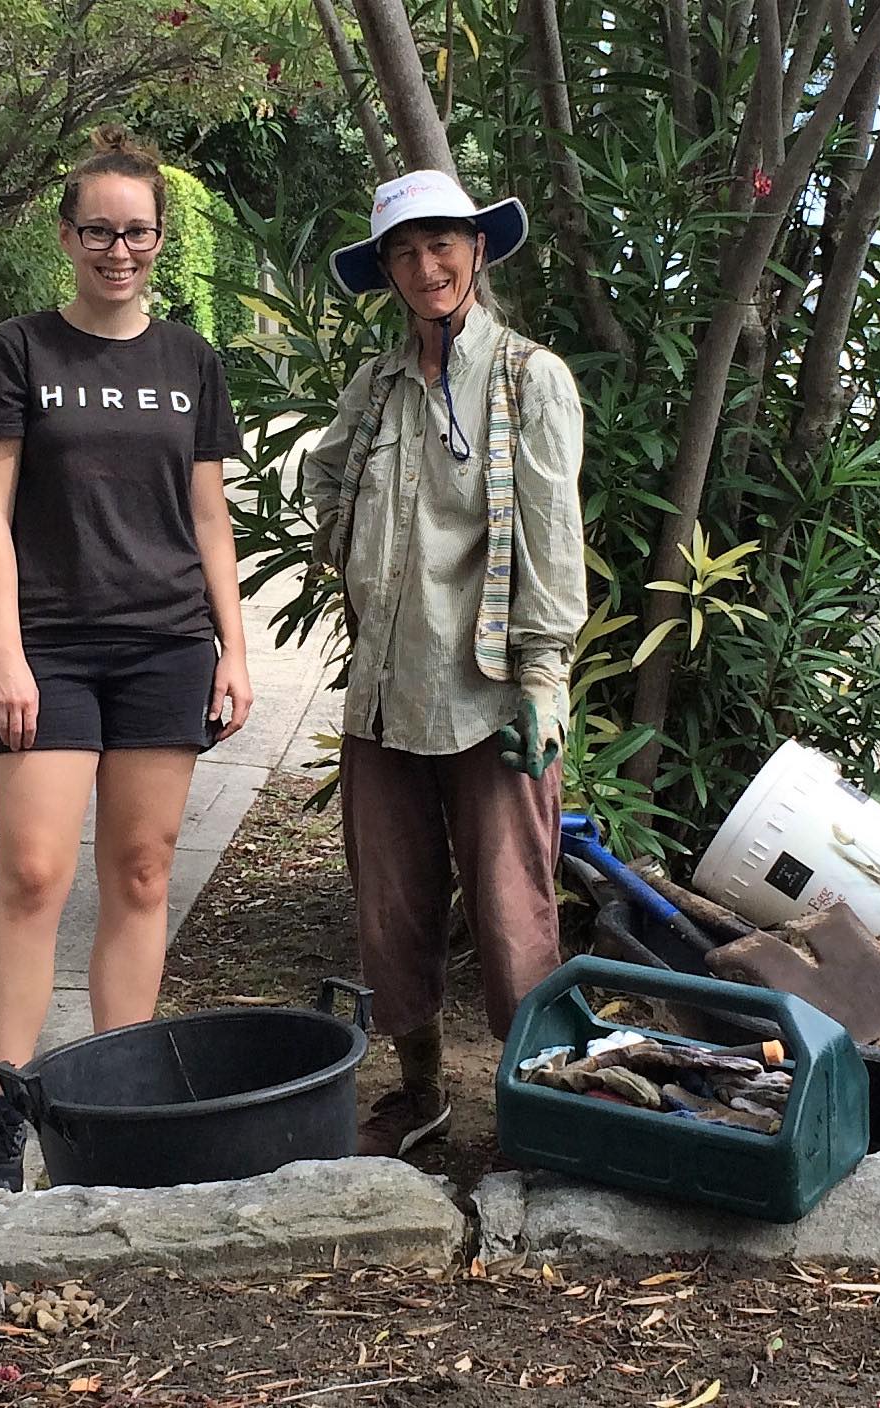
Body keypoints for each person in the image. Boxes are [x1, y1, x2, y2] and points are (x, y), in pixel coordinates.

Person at [0, 127, 252, 1202]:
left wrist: (233, 644)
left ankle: (118, 1100)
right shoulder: (21, 352)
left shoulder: (190, 361)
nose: (115, 249)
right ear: (66, 234)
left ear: (158, 238)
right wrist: (7, 657)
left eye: (135, 231)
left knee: (139, 873)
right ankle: (5, 1103)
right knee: (32, 873)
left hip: (165, 645)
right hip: (51, 650)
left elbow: (208, 516)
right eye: (97, 230)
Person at [303, 169, 587, 1158]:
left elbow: (552, 531)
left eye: (442, 245)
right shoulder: (377, 387)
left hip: (490, 692)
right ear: (385, 269)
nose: (426, 267)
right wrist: (344, 533)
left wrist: (544, 679)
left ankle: (538, 1106)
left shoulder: (526, 377)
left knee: (513, 910)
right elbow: (325, 472)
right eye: (404, 251)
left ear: (475, 251)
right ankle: (419, 1091)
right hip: (383, 692)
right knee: (389, 904)